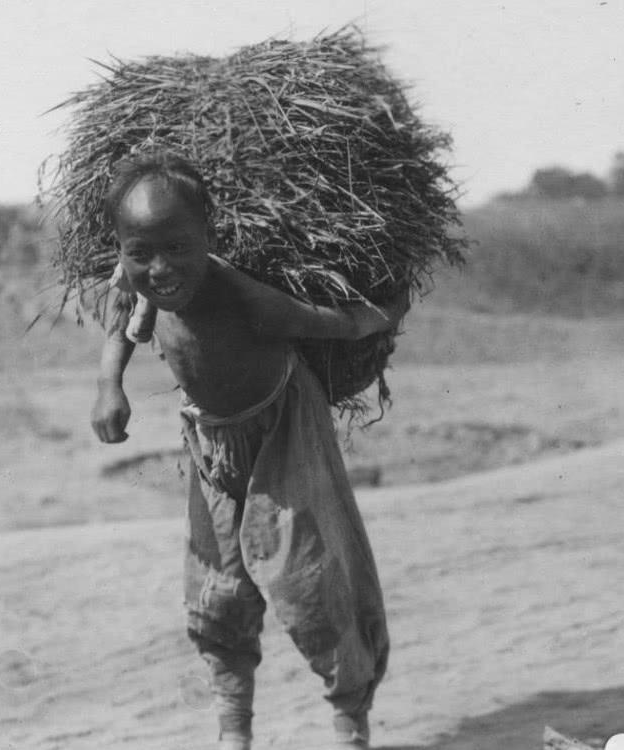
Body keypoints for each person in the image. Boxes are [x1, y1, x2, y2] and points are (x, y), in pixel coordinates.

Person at [89, 153, 401, 750]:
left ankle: (350, 726)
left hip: (284, 432)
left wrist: (386, 314)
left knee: (312, 582)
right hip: (212, 446)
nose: (160, 269)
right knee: (217, 587)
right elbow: (120, 325)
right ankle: (235, 732)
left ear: (210, 233)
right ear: (122, 248)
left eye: (179, 248)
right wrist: (110, 386)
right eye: (139, 252)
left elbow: (333, 324)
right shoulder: (134, 281)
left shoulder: (247, 299)